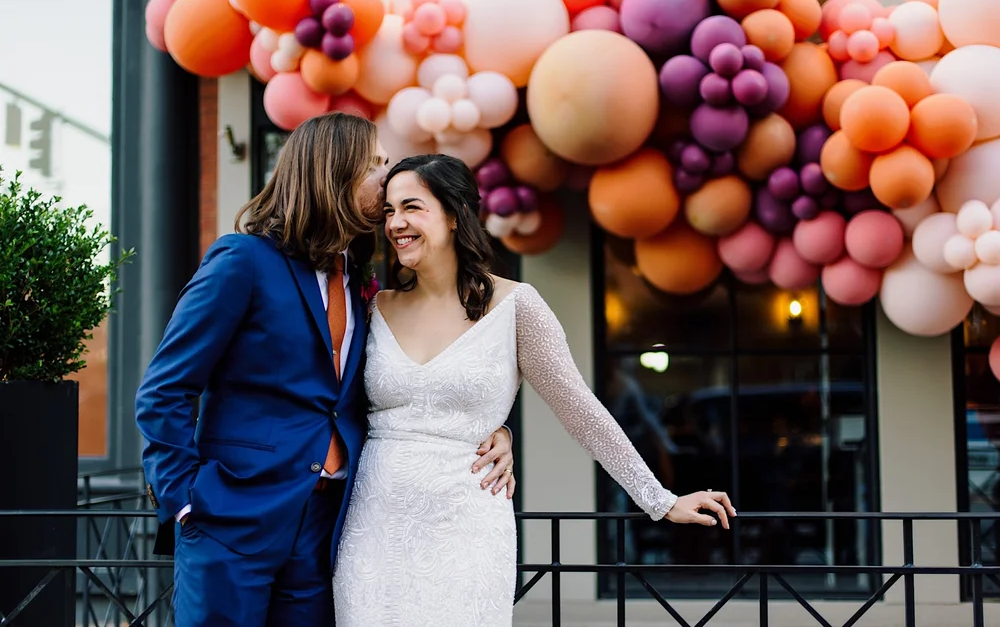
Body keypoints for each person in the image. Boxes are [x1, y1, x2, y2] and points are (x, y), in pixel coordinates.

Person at [134, 114, 514, 627]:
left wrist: (492, 428)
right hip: (233, 518)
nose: (387, 178)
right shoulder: (241, 261)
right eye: (375, 164)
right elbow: (165, 390)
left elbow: (389, 392)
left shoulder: (360, 280)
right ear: (334, 173)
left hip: (326, 526)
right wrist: (185, 502)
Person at [332, 153, 737, 627]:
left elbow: (580, 411)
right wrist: (501, 431)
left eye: (412, 207)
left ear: (455, 213)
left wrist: (659, 499)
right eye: (389, 212)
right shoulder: (373, 306)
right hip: (372, 528)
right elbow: (339, 407)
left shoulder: (517, 306)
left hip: (466, 530)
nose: (396, 223)